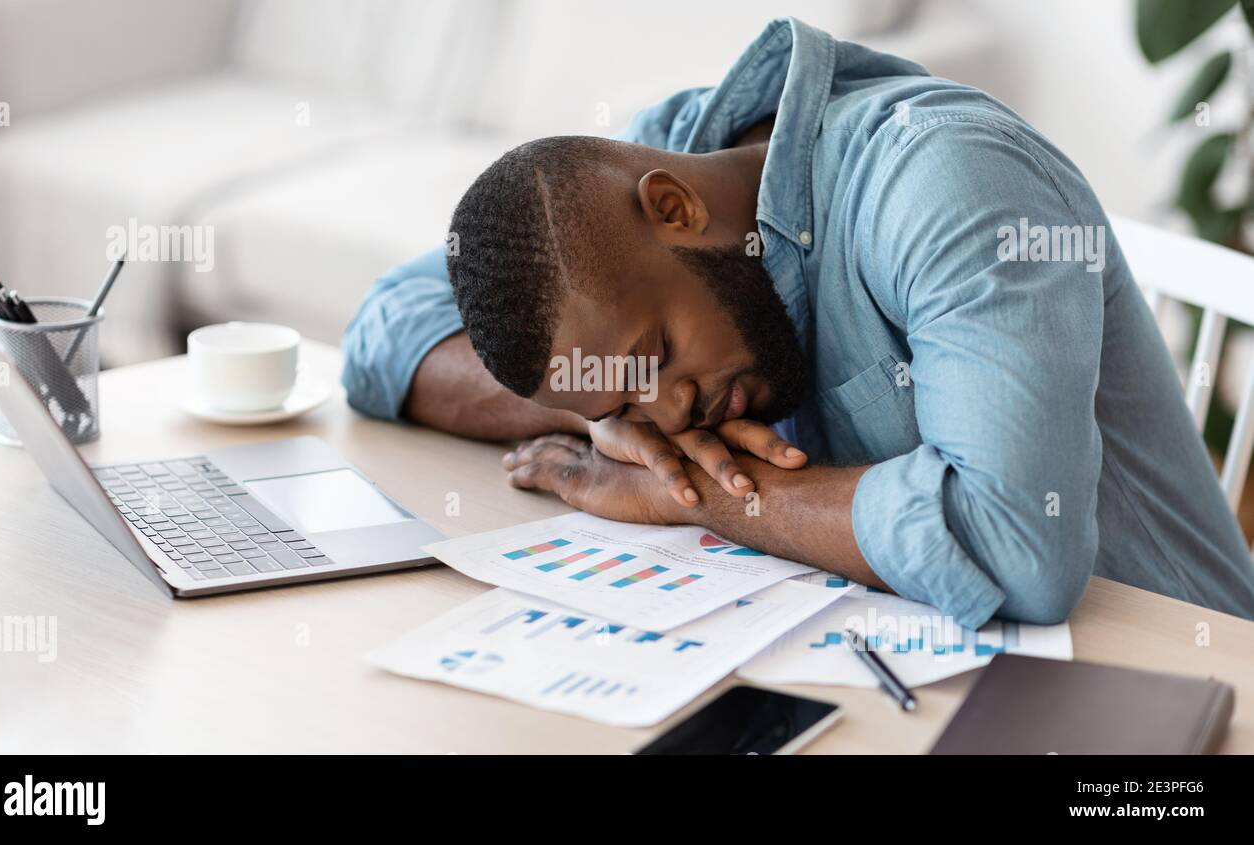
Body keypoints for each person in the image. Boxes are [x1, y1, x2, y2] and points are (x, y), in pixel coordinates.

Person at [342, 17, 1254, 626]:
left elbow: (1018, 546)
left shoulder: (946, 180)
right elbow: (384, 333)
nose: (674, 413)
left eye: (653, 360)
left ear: (675, 209)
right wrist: (603, 416)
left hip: (1167, 683)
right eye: (628, 396)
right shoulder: (664, 156)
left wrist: (705, 496)